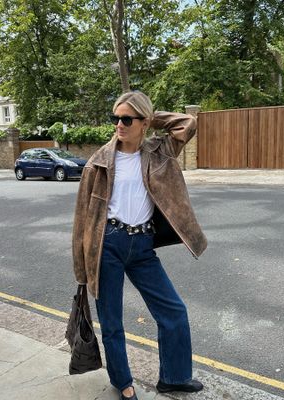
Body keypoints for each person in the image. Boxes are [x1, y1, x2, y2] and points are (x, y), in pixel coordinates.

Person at [72, 91, 207, 400]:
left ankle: (173, 377)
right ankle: (123, 382)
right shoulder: (98, 163)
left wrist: (151, 117)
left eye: (127, 119)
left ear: (144, 123)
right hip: (108, 245)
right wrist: (82, 271)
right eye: (115, 118)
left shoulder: (160, 151)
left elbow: (188, 122)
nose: (119, 124)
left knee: (174, 311)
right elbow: (82, 219)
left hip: (143, 245)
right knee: (112, 321)